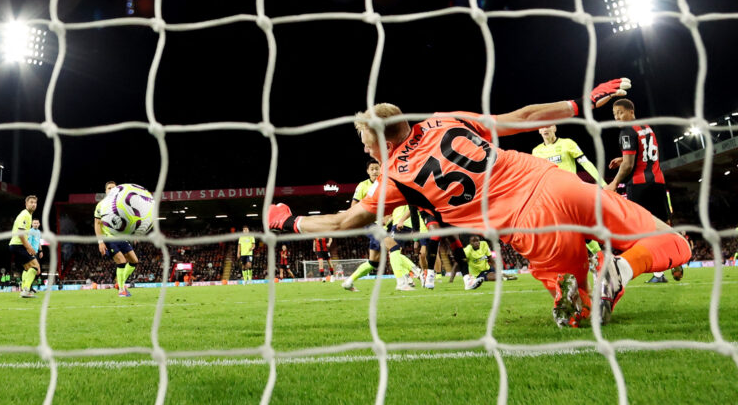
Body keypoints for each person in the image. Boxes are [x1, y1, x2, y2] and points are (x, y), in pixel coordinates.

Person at [269, 78, 692, 328]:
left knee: (578, 315)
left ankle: (596, 282)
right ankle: (621, 268)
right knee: (675, 243)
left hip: (532, 226)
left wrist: (289, 222)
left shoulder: (395, 175)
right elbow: (522, 118)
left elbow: (344, 222)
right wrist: (578, 103)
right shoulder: (445, 120)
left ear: (383, 141)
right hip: (556, 182)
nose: (366, 151)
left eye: (367, 143)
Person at [605, 99, 682, 284]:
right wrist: (622, 158)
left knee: (642, 228)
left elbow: (629, 165)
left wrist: (614, 183)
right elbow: (645, 154)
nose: (617, 118)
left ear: (631, 112)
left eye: (620, 113)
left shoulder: (626, 131)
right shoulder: (646, 128)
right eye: (615, 115)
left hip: (639, 185)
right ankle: (678, 258)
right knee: (664, 225)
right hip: (658, 182)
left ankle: (654, 272)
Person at [341, 159, 424, 292]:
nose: (375, 171)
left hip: (381, 226)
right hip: (368, 223)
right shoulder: (363, 186)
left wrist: (387, 217)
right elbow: (353, 206)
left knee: (373, 262)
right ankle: (406, 278)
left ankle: (348, 282)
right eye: (372, 169)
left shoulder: (384, 185)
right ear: (367, 171)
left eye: (377, 168)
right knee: (394, 246)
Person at [532, 124, 606, 266]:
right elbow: (536, 175)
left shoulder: (568, 143)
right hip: (552, 197)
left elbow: (586, 163)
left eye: (548, 126)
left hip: (571, 192)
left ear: (554, 128)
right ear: (539, 130)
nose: (545, 129)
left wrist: (602, 183)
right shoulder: (536, 151)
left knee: (580, 227)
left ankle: (599, 257)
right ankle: (574, 264)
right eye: (542, 127)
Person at [94, 181, 139, 297]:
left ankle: (119, 283)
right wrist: (100, 242)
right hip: (108, 238)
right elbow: (97, 224)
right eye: (109, 188)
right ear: (106, 191)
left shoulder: (122, 205)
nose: (112, 190)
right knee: (121, 261)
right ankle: (121, 290)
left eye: (114, 188)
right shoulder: (101, 205)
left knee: (134, 261)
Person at [8, 195, 40, 298]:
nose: (33, 204)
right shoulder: (25, 215)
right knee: (36, 267)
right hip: (18, 245)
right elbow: (20, 233)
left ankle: (25, 290)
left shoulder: (28, 215)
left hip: (15, 245)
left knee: (27, 268)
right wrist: (28, 247)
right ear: (26, 204)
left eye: (35, 202)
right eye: (31, 202)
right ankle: (26, 290)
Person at [27, 219, 44, 293]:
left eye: (37, 223)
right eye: (34, 223)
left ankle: (29, 287)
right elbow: (29, 242)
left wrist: (41, 251)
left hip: (36, 253)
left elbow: (39, 242)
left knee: (35, 271)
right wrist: (29, 251)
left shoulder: (39, 232)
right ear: (32, 224)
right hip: (31, 253)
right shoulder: (30, 231)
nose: (36, 224)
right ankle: (28, 287)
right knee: (34, 270)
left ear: (39, 224)